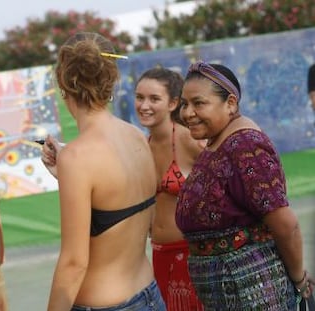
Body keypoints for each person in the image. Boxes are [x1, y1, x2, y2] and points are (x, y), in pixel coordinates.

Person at [41, 32, 166, 310]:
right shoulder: (136, 136)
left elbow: (73, 264)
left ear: (65, 85)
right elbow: (138, 218)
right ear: (110, 80)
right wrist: (69, 175)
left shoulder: (77, 158)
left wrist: (72, 168)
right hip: (149, 294)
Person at [175, 60, 314, 310]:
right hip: (227, 290)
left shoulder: (245, 146)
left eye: (199, 103)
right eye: (184, 104)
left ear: (230, 103)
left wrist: (299, 280)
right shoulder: (218, 141)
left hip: (249, 289)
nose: (187, 113)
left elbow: (286, 224)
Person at [134, 67, 204, 310]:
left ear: (173, 102)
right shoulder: (141, 146)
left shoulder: (189, 140)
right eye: (139, 97)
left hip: (193, 256)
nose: (144, 105)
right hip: (159, 256)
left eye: (154, 99)